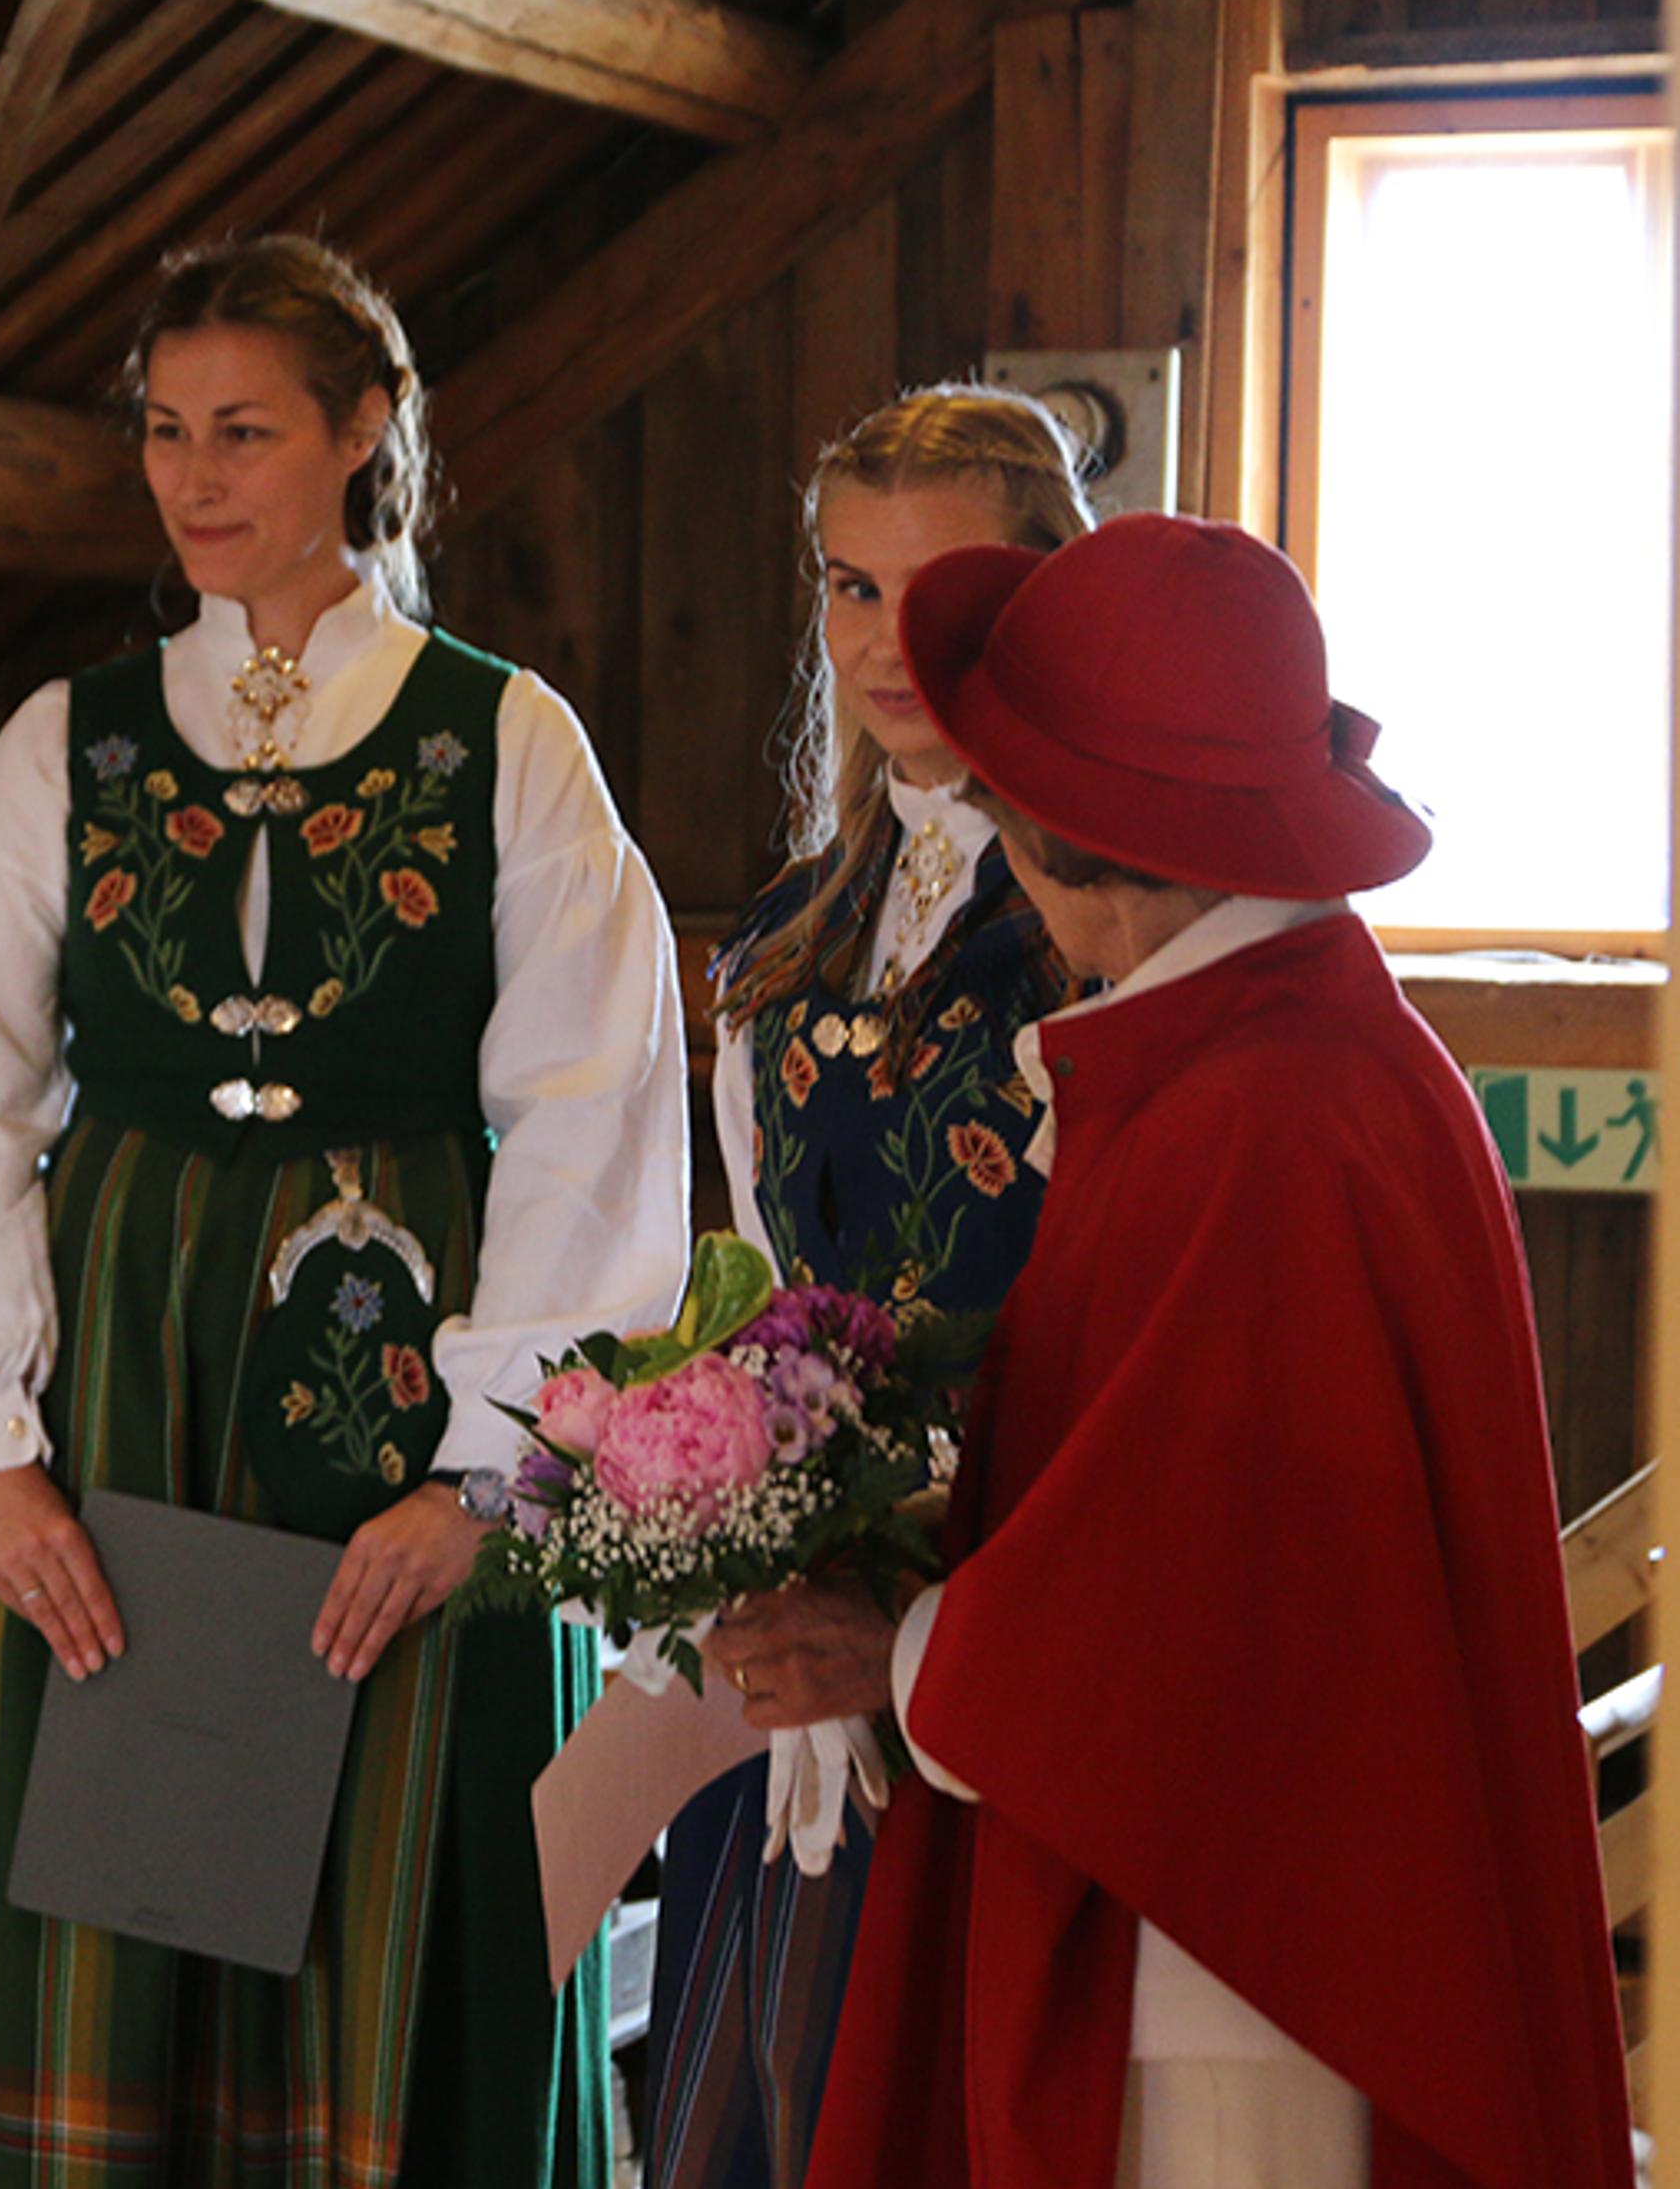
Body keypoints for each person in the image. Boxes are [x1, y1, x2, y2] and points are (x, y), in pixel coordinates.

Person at [0, 234, 692, 2188]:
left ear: (365, 430)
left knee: (397, 1890)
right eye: (166, 431)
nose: (194, 476)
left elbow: (593, 1112)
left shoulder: (503, 738)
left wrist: (486, 1475)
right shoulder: (70, 739)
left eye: (242, 429)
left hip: (407, 1386)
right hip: (123, 1396)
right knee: (112, 1910)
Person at [708, 515, 1636, 2189]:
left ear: (1078, 846)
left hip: (1235, 1942)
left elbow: (1192, 1612)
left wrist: (896, 1651)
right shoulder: (1292, 1048)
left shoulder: (1261, 1115)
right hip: (1251, 1900)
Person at [644, 390, 1089, 2189]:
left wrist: (919, 1609)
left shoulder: (1097, 942)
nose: (888, 641)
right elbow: (769, 1303)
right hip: (806, 1668)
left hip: (1024, 1637)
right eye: (850, 587)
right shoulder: (773, 951)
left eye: (941, 589)